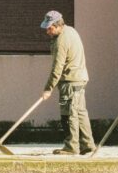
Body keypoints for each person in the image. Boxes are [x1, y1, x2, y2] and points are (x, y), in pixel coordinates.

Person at [40, 10, 96, 155]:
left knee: (69, 114)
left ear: (58, 25)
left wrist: (48, 88)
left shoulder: (61, 41)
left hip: (70, 81)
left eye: (50, 28)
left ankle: (71, 147)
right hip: (80, 78)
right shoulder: (71, 31)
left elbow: (57, 67)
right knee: (80, 112)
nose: (47, 31)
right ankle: (87, 144)